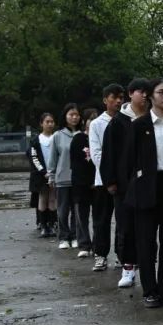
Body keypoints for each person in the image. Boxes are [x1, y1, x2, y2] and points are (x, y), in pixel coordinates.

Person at [123, 78, 163, 308]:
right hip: (146, 188)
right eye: (161, 92)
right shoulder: (139, 125)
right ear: (151, 96)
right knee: (146, 242)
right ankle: (150, 290)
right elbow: (129, 160)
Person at [101, 78, 150, 288]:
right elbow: (108, 154)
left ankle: (147, 267)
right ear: (131, 94)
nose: (145, 95)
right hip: (124, 185)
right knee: (126, 227)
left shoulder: (152, 119)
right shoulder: (118, 123)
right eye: (140, 91)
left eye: (147, 92)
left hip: (149, 183)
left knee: (147, 229)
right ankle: (127, 267)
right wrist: (110, 181)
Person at [89, 84, 125, 271]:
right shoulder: (96, 124)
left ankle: (122, 254)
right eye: (114, 97)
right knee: (101, 219)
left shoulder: (126, 121)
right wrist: (110, 173)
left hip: (123, 180)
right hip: (102, 180)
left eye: (121, 98)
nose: (118, 101)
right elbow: (96, 154)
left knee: (122, 220)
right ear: (105, 100)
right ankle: (100, 254)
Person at [49, 104, 81, 250]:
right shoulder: (58, 135)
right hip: (62, 178)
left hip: (78, 179)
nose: (74, 117)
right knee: (62, 211)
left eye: (76, 115)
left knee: (77, 211)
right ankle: (63, 237)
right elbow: (53, 158)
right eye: (71, 114)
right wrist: (51, 175)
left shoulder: (82, 134)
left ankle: (75, 236)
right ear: (65, 116)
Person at [69, 108, 100, 258]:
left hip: (98, 183)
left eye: (96, 118)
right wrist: (86, 182)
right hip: (81, 185)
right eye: (90, 118)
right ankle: (84, 244)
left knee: (98, 217)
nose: (93, 121)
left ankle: (97, 245)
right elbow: (75, 164)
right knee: (82, 216)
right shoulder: (78, 139)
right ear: (84, 121)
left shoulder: (101, 137)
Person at [28, 113, 57, 238]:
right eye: (47, 122)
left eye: (52, 122)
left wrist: (53, 171)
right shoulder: (36, 140)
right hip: (41, 175)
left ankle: (52, 224)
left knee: (53, 198)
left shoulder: (56, 138)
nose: (50, 124)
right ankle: (43, 225)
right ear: (41, 124)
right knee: (42, 198)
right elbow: (34, 158)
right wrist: (43, 172)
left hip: (54, 173)